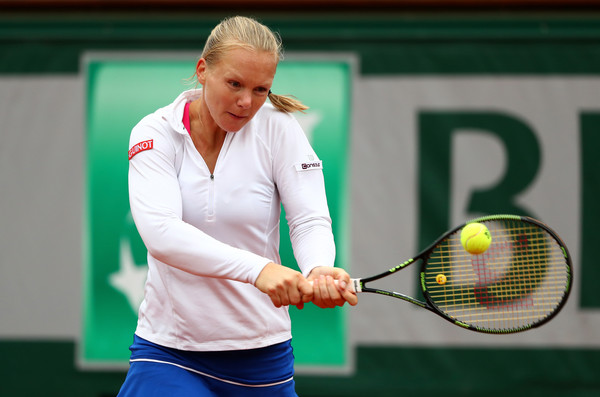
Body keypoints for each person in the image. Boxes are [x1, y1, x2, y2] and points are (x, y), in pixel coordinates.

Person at [117, 15, 357, 397]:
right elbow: (161, 233)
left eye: (261, 89)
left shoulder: (279, 127)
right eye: (234, 84)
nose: (247, 102)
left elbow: (309, 219)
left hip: (262, 355)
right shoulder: (154, 133)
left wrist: (320, 268)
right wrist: (259, 270)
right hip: (169, 349)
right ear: (202, 70)